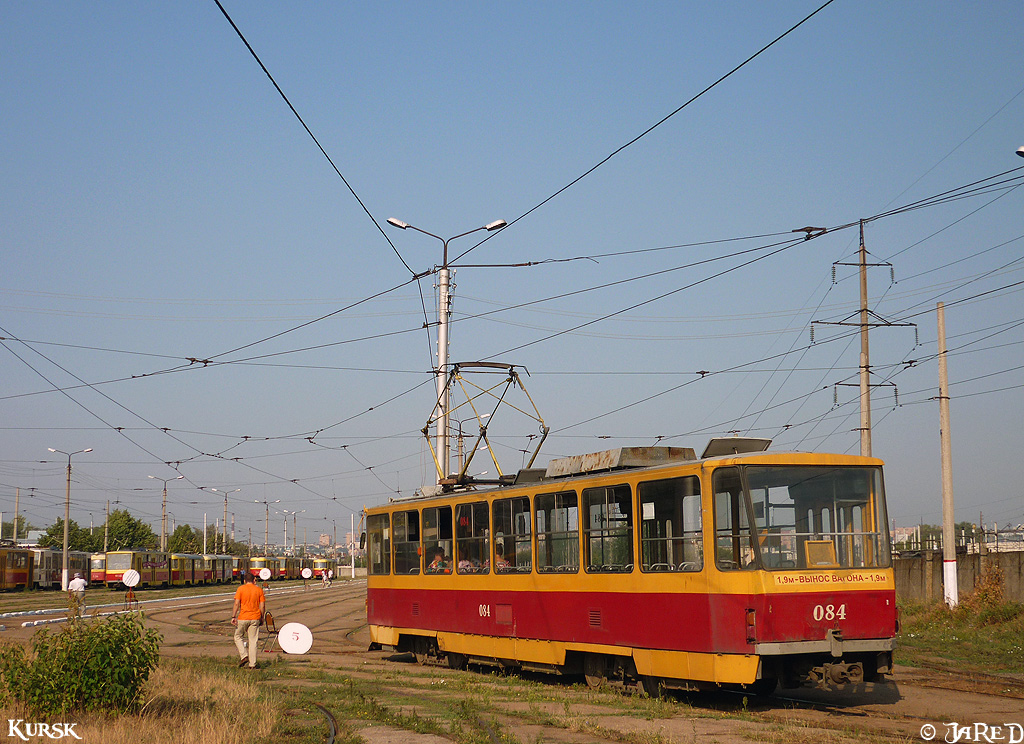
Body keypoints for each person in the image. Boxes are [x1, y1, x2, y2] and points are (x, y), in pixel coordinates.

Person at [231, 570, 266, 669]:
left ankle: (244, 655)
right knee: (253, 641)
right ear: (254, 580)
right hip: (255, 618)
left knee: (238, 636)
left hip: (243, 617)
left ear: (245, 580)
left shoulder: (241, 589)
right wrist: (261, 617)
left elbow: (237, 603)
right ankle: (252, 664)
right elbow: (262, 606)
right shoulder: (259, 590)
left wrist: (233, 616)